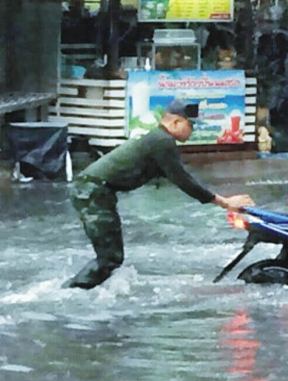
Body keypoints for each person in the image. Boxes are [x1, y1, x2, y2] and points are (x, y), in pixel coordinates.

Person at [66, 100, 254, 289]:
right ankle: (70, 294)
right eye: (191, 125)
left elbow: (183, 178)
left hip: (95, 190)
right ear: (174, 122)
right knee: (109, 258)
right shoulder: (161, 141)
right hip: (92, 192)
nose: (192, 131)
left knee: (112, 258)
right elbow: (184, 181)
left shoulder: (159, 140)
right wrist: (225, 202)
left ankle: (83, 290)